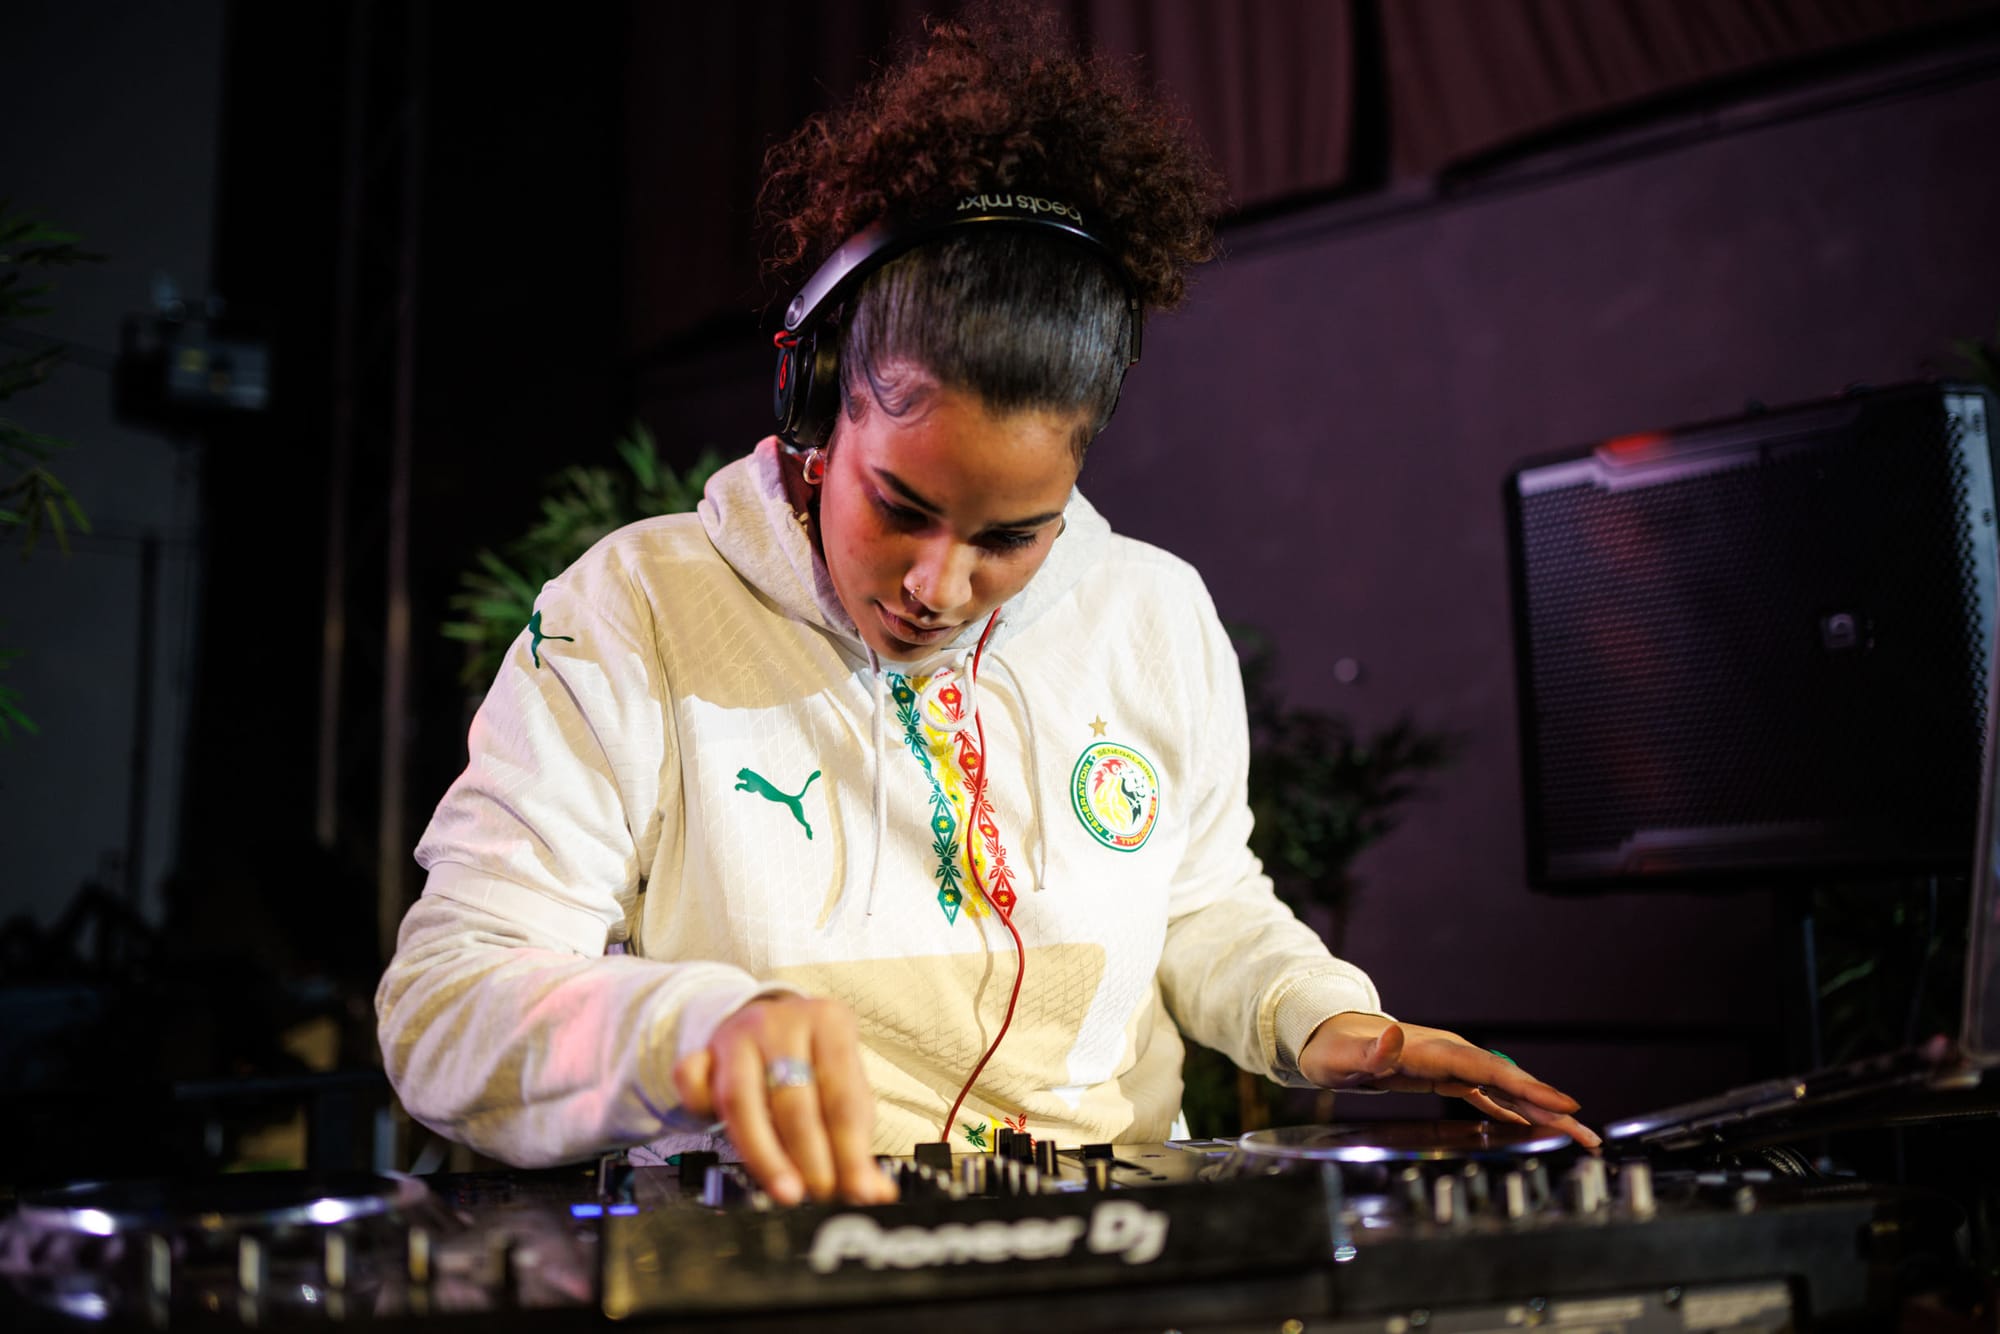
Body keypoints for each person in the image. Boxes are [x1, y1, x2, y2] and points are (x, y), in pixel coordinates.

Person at [376, 10, 1598, 1208]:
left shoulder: (1152, 611)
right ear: (817, 403)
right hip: (775, 1258)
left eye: (1010, 536)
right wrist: (693, 1030)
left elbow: (1198, 900)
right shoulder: (634, 608)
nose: (937, 586)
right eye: (899, 507)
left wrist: (1318, 1016)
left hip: (1118, 1251)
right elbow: (444, 1000)